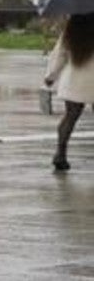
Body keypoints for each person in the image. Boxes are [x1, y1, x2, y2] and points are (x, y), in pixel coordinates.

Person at [44, 12, 94, 171]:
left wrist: (51, 76)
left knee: (70, 117)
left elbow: (59, 55)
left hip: (74, 79)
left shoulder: (72, 30)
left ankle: (60, 153)